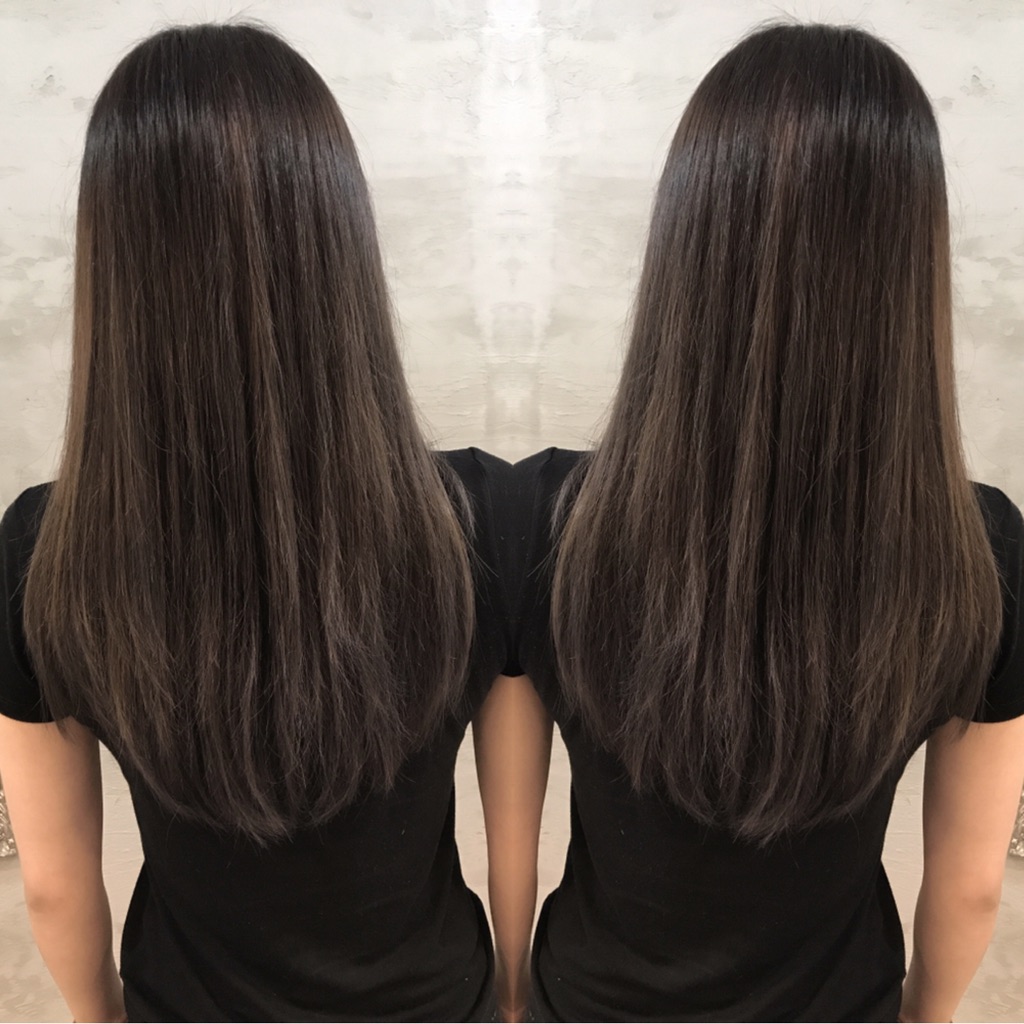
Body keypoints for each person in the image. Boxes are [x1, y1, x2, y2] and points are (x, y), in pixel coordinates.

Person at [486, 22, 1024, 1023]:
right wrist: (925, 1013)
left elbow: (509, 828)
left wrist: (511, 990)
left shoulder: (553, 518)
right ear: (909, 260)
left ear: (687, 240)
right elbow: (971, 885)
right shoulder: (976, 549)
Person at [0, 23, 516, 1022]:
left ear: (116, 262)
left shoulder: (43, 552)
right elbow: (512, 838)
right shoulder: (474, 521)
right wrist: (512, 995)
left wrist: (102, 1013)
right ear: (337, 239)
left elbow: (54, 886)